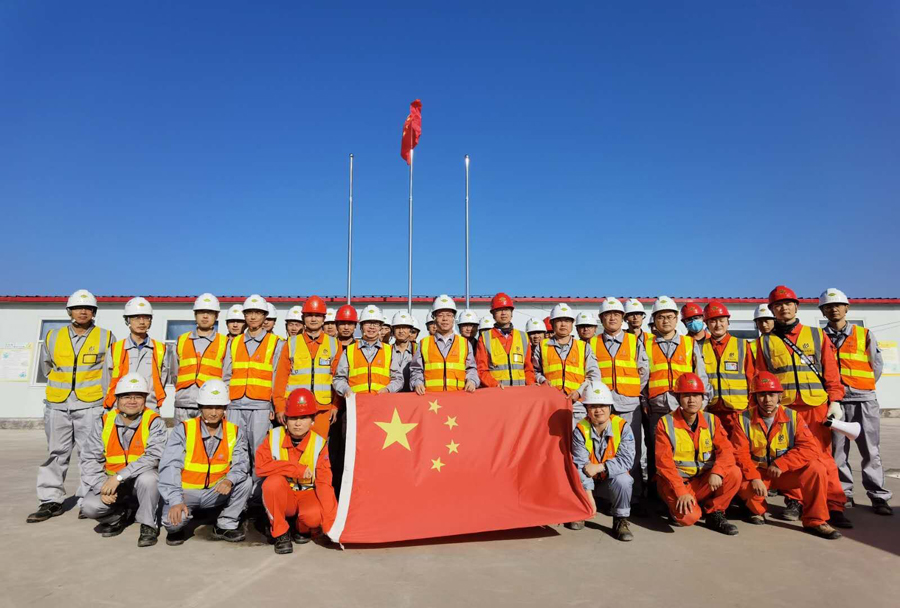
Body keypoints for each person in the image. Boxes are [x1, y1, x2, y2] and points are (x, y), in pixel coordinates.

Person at [755, 285, 851, 528]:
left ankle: (833, 504)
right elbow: (761, 376)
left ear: (796, 306)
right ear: (772, 310)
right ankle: (795, 501)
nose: (783, 308)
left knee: (823, 456)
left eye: (788, 303)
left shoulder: (817, 335)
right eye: (778, 305)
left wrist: (835, 400)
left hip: (815, 406)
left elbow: (831, 371)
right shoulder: (764, 342)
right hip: (784, 409)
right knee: (788, 455)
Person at [27, 290, 115, 524]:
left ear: (94, 312)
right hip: (58, 403)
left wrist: (105, 402)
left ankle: (87, 498)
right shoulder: (53, 336)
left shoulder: (106, 337)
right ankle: (50, 500)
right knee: (57, 453)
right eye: (78, 308)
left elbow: (110, 371)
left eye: (88, 308)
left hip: (91, 404)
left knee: (91, 454)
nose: (83, 311)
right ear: (69, 311)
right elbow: (47, 368)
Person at [733, 372, 843, 539]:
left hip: (784, 473)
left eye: (771, 394)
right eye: (762, 395)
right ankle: (756, 510)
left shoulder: (792, 417)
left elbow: (809, 448)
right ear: (755, 397)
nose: (767, 399)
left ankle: (816, 520)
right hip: (759, 474)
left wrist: (782, 464)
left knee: (817, 468)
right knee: (737, 475)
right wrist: (754, 477)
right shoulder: (743, 419)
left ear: (779, 396)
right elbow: (739, 454)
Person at [819, 288, 892, 515]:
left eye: (837, 305)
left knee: (870, 450)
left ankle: (878, 495)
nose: (833, 309)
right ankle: (844, 493)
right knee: (838, 451)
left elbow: (876, 365)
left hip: (863, 399)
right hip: (835, 402)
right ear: (823, 311)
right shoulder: (819, 337)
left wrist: (863, 385)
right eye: (828, 306)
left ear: (846, 308)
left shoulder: (865, 334)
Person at [159, 380, 251, 545]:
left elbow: (242, 464)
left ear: (225, 408)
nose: (214, 412)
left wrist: (230, 480)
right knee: (172, 524)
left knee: (245, 481)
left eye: (219, 407)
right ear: (200, 407)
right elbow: (170, 466)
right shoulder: (184, 430)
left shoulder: (235, 432)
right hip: (186, 492)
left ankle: (225, 524)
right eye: (209, 407)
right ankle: (182, 520)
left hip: (216, 491)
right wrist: (175, 500)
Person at [79, 373, 167, 546]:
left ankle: (148, 524)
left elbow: (154, 457)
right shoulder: (104, 423)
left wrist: (118, 477)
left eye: (138, 396)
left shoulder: (153, 422)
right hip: (113, 485)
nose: (132, 401)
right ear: (117, 399)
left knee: (149, 479)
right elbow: (89, 459)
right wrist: (101, 487)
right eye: (126, 396)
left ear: (145, 399)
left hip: (139, 483)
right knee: (89, 506)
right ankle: (118, 516)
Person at [655, 373, 740, 535]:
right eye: (686, 395)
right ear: (678, 398)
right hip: (678, 483)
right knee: (688, 518)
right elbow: (664, 463)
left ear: (703, 398)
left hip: (704, 480)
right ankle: (674, 506)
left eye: (696, 395)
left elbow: (727, 451)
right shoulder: (665, 423)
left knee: (734, 472)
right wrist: (680, 491)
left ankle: (715, 512)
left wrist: (717, 471)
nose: (692, 400)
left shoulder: (711, 420)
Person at [257, 389, 338, 554]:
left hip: (306, 495)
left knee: (314, 517)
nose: (298, 423)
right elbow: (260, 466)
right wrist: (296, 469)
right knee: (271, 484)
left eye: (304, 418)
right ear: (285, 420)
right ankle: (280, 532)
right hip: (284, 495)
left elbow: (324, 484)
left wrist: (332, 528)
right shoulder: (273, 437)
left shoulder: (319, 444)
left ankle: (302, 528)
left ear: (313, 420)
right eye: (293, 418)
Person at [222, 295, 285, 504]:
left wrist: (273, 405)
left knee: (259, 452)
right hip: (235, 404)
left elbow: (278, 376)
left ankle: (257, 498)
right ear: (245, 316)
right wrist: (225, 404)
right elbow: (227, 375)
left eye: (258, 313)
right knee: (233, 451)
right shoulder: (235, 342)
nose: (253, 316)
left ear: (265, 316)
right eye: (249, 313)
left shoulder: (276, 343)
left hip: (260, 406)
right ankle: (234, 496)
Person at [589, 297, 649, 512]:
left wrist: (629, 392)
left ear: (623, 318)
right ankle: (605, 495)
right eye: (607, 314)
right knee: (602, 451)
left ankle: (633, 498)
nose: (612, 317)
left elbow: (644, 372)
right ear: (601, 319)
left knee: (630, 451)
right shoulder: (592, 343)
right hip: (602, 407)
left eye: (616, 314)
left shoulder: (634, 342)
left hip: (628, 406)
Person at [645, 296, 708, 496]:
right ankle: (661, 494)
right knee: (658, 454)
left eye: (670, 316)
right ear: (654, 320)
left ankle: (684, 491)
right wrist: (643, 403)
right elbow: (641, 377)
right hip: (657, 408)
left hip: (685, 408)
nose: (665, 321)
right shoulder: (646, 344)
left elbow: (702, 375)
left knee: (684, 451)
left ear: (676, 319)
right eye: (661, 317)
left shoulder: (689, 344)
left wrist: (701, 404)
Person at [569, 381, 635, 541]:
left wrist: (599, 467)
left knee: (624, 480)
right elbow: (580, 464)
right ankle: (582, 508)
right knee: (572, 470)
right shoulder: (580, 429)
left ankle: (620, 520)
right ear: (586, 409)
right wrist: (589, 499)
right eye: (593, 406)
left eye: (603, 405)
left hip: (609, 480)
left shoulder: (622, 427)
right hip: (587, 481)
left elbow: (627, 461)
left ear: (610, 407)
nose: (598, 410)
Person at [273, 295, 340, 438]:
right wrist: (279, 407)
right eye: (310, 315)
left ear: (324, 318)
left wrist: (335, 405)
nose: (313, 319)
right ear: (303, 318)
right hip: (296, 408)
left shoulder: (334, 344)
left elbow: (338, 378)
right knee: (296, 450)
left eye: (317, 315)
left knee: (319, 449)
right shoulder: (291, 343)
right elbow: (281, 377)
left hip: (323, 409)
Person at [533, 303, 601, 426]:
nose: (563, 324)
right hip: (550, 405)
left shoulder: (584, 347)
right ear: (552, 324)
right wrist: (542, 380)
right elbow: (534, 371)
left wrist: (579, 392)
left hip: (577, 406)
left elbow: (594, 376)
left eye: (567, 321)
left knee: (577, 443)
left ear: (572, 324)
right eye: (559, 321)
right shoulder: (542, 346)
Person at [104, 297, 169, 413]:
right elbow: (106, 381)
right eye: (136, 317)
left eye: (146, 318)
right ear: (127, 320)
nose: (142, 322)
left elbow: (163, 379)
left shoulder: (160, 349)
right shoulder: (115, 349)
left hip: (150, 407)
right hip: (120, 409)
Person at [171, 293, 228, 424]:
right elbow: (174, 373)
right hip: (183, 403)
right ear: (195, 315)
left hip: (211, 405)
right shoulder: (182, 340)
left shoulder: (224, 342)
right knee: (182, 442)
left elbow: (227, 376)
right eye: (201, 312)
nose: (205, 316)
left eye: (209, 312)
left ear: (217, 316)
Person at [701, 301, 753, 439]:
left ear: (728, 322)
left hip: (738, 410)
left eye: (721, 320)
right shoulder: (699, 347)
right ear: (706, 324)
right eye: (713, 321)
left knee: (739, 448)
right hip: (711, 409)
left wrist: (753, 407)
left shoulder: (742, 345)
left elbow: (751, 377)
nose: (718, 325)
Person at [411, 295, 479, 394]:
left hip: (458, 398)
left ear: (453, 318)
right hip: (431, 401)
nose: (445, 319)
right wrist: (417, 382)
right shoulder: (424, 343)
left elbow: (471, 369)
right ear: (434, 318)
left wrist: (472, 381)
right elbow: (416, 370)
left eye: (448, 315)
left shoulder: (464, 343)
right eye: (440, 315)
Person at [333, 305, 404, 396]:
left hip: (382, 403)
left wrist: (388, 389)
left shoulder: (389, 350)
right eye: (367, 323)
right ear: (361, 326)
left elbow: (398, 379)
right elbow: (339, 378)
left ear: (380, 327)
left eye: (376, 323)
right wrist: (345, 390)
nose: (372, 327)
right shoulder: (349, 351)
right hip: (356, 404)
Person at [476, 293, 536, 388]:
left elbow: (528, 368)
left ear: (512, 313)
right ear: (493, 314)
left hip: (520, 393)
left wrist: (531, 384)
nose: (503, 313)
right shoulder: (484, 338)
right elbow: (481, 370)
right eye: (499, 310)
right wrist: (494, 384)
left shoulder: (523, 337)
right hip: (497, 394)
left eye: (507, 309)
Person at [390, 311, 416, 392]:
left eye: (404, 327)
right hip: (391, 396)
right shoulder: (386, 350)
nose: (401, 331)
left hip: (413, 396)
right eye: (397, 328)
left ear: (410, 331)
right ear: (393, 330)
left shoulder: (418, 349)